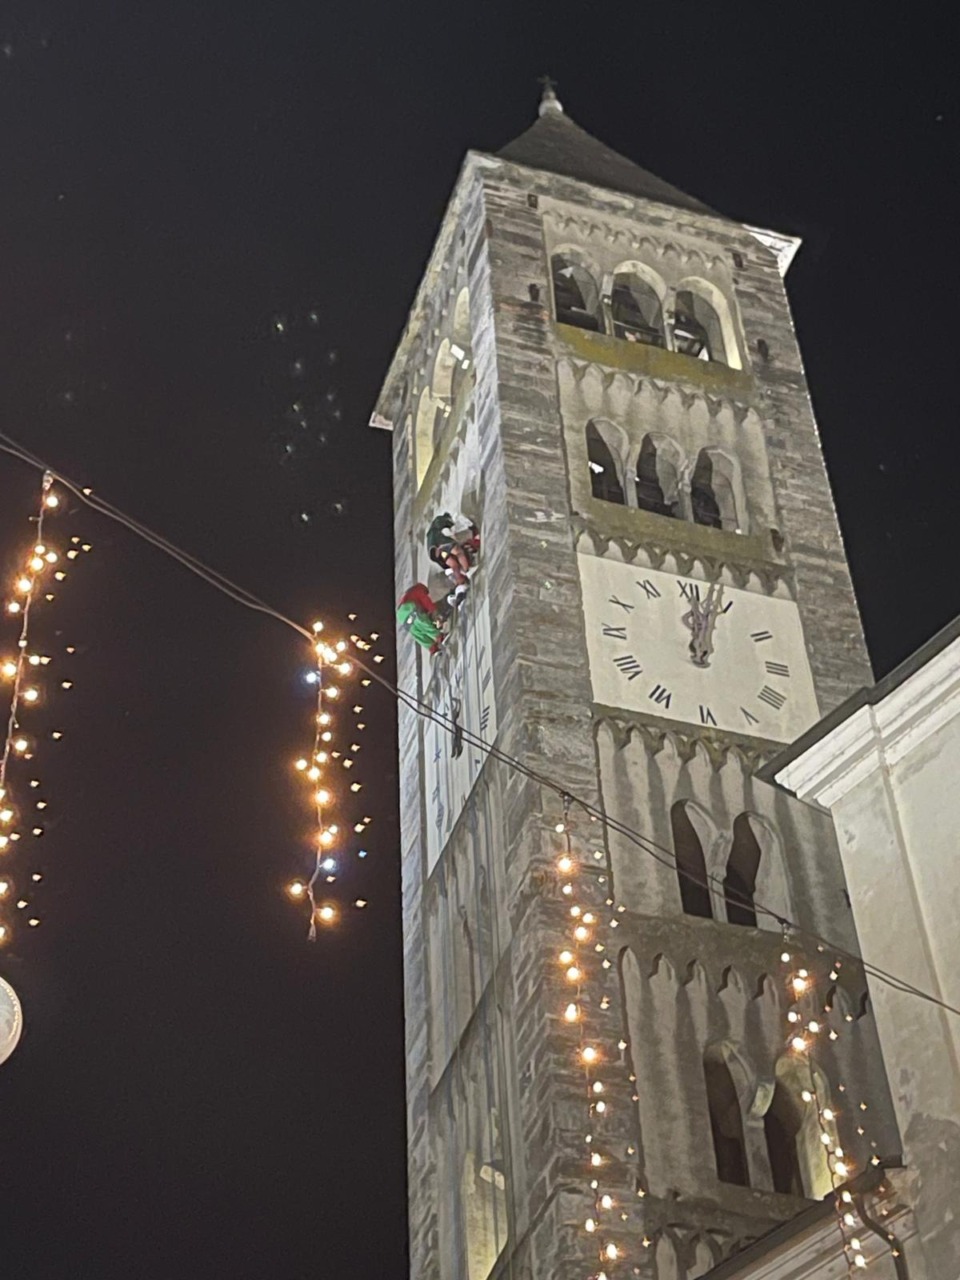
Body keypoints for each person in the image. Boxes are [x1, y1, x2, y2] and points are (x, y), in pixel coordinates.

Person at [426, 513, 480, 599]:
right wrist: (452, 525)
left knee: (453, 565)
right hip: (441, 544)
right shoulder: (439, 520)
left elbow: (444, 560)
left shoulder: (430, 535)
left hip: (436, 553)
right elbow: (450, 524)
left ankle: (460, 581)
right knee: (459, 552)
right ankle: (468, 571)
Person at [396, 583, 448, 654]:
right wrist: (434, 612)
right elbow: (426, 601)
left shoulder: (409, 594)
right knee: (424, 623)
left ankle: (432, 648)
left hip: (400, 615)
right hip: (409, 609)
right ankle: (440, 637)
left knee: (416, 631)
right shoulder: (419, 590)